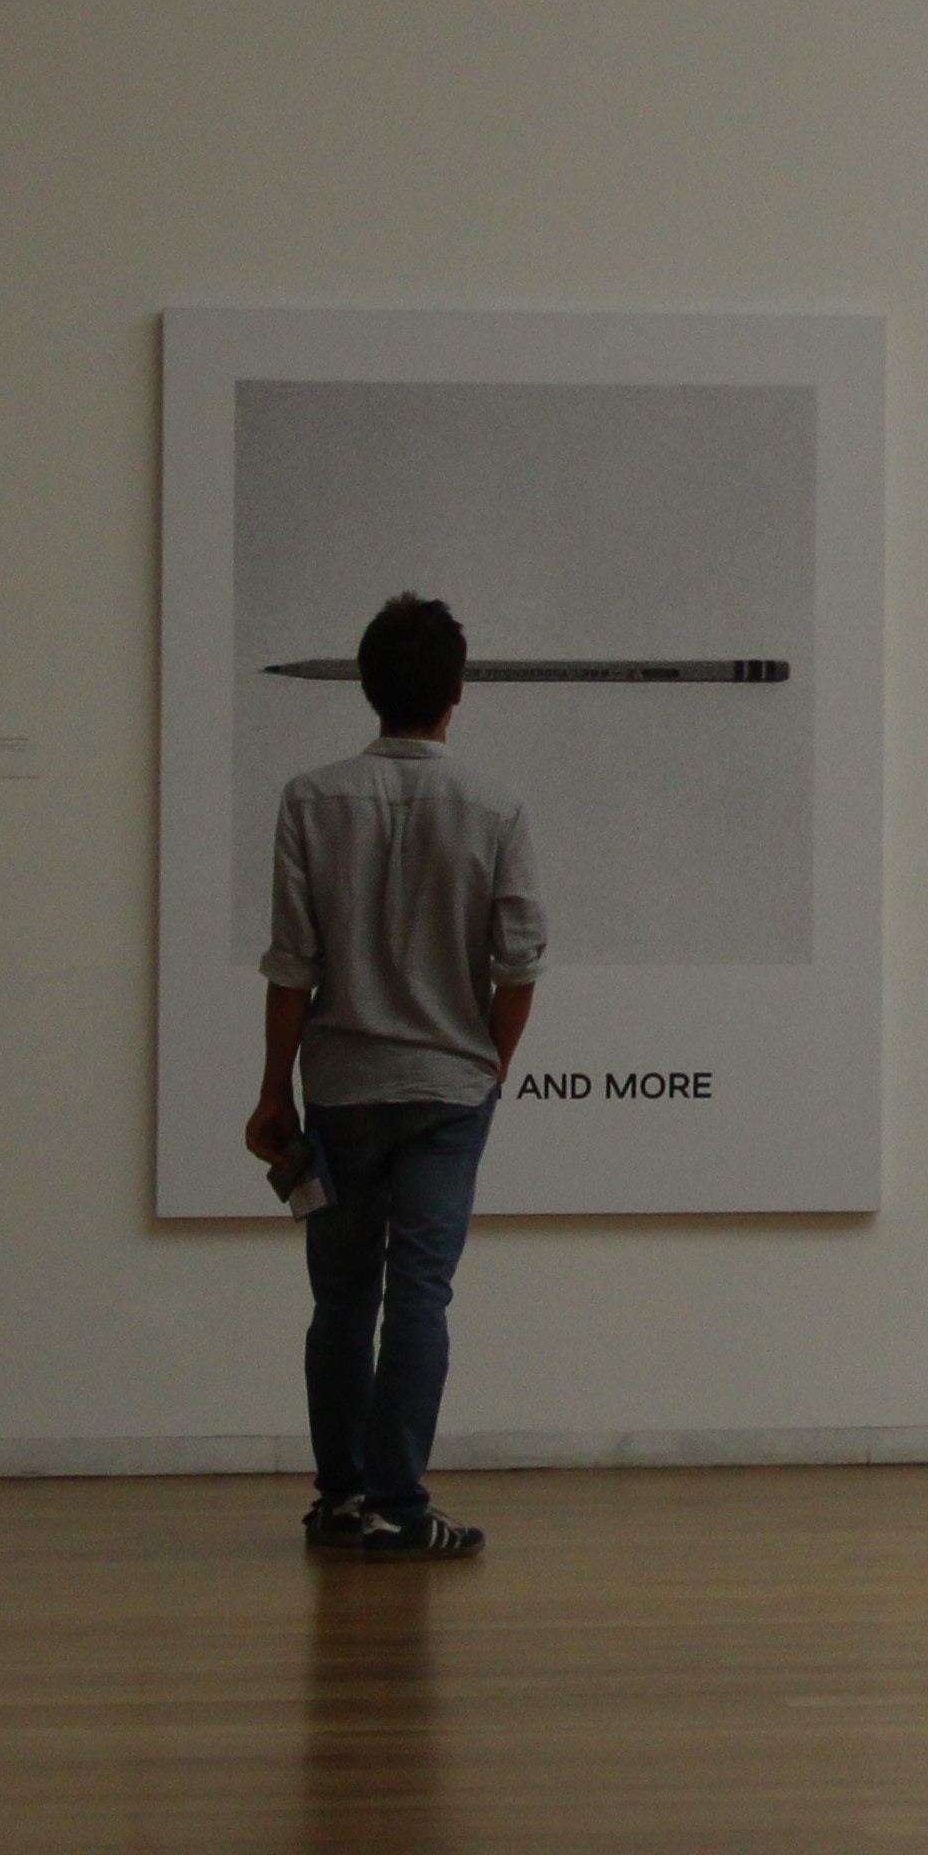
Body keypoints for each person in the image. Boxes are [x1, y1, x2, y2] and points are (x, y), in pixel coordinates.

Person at [245, 592, 546, 1558]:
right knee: (420, 1296)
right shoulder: (494, 805)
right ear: (455, 694)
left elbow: (292, 966)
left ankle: (339, 1497)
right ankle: (397, 1506)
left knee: (340, 1299)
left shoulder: (310, 797)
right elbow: (521, 962)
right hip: (448, 1087)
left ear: (367, 689)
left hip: (340, 1084)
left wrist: (271, 1091)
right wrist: (489, 1066)